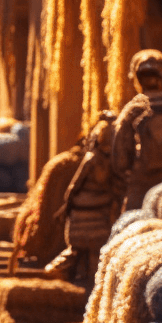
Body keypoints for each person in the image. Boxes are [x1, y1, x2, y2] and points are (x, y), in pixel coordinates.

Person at [46, 110, 119, 284]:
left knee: (76, 250)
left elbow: (74, 186)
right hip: (99, 216)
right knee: (94, 257)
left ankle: (58, 272)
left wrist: (66, 206)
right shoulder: (114, 163)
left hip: (81, 214)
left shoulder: (90, 159)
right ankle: (88, 283)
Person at [111, 49, 162, 210]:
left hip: (141, 187)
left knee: (132, 228)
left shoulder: (133, 109)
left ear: (137, 78)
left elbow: (119, 159)